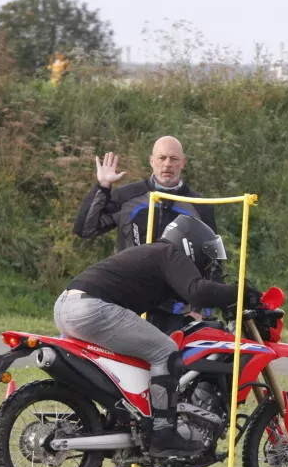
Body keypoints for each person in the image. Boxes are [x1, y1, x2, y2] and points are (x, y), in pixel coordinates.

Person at [54, 216, 258, 467]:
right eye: (204, 256)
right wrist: (241, 291)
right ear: (189, 244)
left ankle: (126, 421)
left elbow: (171, 299)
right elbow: (197, 291)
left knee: (135, 364)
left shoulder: (152, 255)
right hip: (91, 308)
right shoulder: (169, 253)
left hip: (67, 306)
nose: (207, 263)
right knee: (165, 351)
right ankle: (163, 432)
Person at [73, 136, 218, 331]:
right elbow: (85, 229)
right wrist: (103, 187)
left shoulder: (200, 205)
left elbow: (213, 259)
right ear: (151, 161)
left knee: (170, 359)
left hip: (176, 307)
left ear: (183, 162)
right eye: (162, 158)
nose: (167, 164)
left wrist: (201, 309)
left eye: (174, 159)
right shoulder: (128, 196)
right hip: (128, 298)